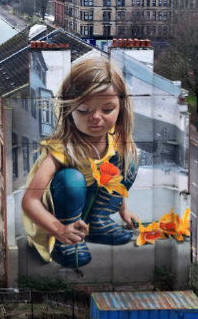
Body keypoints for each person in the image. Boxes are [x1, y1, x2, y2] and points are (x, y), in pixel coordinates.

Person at [22, 56, 138, 268]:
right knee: (72, 179)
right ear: (69, 111)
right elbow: (30, 200)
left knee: (127, 161)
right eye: (84, 110)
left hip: (87, 208)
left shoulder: (114, 142)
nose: (96, 117)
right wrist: (59, 229)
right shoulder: (63, 149)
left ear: (121, 108)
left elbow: (114, 180)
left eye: (107, 109)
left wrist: (123, 211)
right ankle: (66, 241)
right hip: (57, 216)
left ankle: (99, 223)